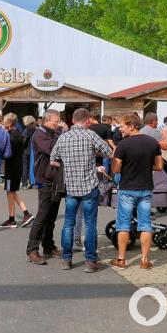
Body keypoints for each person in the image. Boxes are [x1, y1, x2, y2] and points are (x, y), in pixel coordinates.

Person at [49, 108, 112, 272]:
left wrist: (66, 166)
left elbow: (53, 159)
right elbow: (108, 152)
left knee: (69, 223)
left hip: (70, 187)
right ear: (87, 121)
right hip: (89, 186)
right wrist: (93, 158)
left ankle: (66, 260)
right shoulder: (90, 135)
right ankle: (90, 262)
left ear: (72, 120)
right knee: (90, 224)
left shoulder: (63, 137)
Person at [110, 113, 163, 270]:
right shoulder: (153, 142)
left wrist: (116, 159)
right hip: (146, 187)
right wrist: (147, 166)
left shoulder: (123, 145)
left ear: (131, 126)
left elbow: (116, 169)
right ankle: (144, 260)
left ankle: (121, 259)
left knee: (123, 225)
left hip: (127, 188)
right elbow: (159, 167)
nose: (120, 129)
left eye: (123, 126)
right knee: (145, 224)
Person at [25, 109, 64, 264]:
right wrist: (59, 131)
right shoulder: (39, 134)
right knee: (42, 214)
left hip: (56, 179)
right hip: (44, 179)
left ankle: (48, 245)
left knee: (52, 215)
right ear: (47, 121)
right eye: (56, 121)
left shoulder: (51, 132)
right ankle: (32, 249)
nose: (58, 124)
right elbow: (53, 149)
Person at [0, 113, 34, 229]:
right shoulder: (19, 133)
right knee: (9, 192)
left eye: (4, 120)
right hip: (17, 165)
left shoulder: (9, 136)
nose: (2, 122)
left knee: (11, 192)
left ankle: (26, 213)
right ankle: (11, 219)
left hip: (12, 167)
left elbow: (6, 153)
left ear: (9, 123)